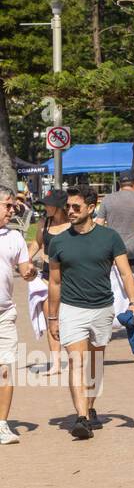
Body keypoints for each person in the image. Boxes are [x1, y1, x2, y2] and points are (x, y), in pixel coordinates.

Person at [47, 186, 134, 439]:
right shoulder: (58, 242)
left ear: (91, 208)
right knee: (76, 362)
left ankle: (89, 409)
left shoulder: (109, 238)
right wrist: (53, 317)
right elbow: (55, 283)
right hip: (72, 309)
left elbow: (125, 273)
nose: (70, 211)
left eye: (76, 207)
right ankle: (81, 418)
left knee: (96, 364)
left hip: (102, 308)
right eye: (68, 206)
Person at [0, 186, 39, 445]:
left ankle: (2, 425)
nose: (12, 209)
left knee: (4, 370)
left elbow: (25, 268)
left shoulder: (14, 237)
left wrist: (30, 273)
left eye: (12, 205)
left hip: (4, 314)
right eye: (7, 204)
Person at [95, 169, 134, 339]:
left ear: (120, 183)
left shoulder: (108, 200)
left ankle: (112, 323)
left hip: (113, 255)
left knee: (114, 291)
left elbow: (98, 224)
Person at [26, 190, 70, 375]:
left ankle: (77, 356)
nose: (45, 207)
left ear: (59, 206)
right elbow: (37, 243)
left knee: (69, 318)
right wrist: (25, 260)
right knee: (51, 316)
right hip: (47, 276)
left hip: (69, 275)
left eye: (48, 204)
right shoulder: (45, 223)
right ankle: (56, 363)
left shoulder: (72, 225)